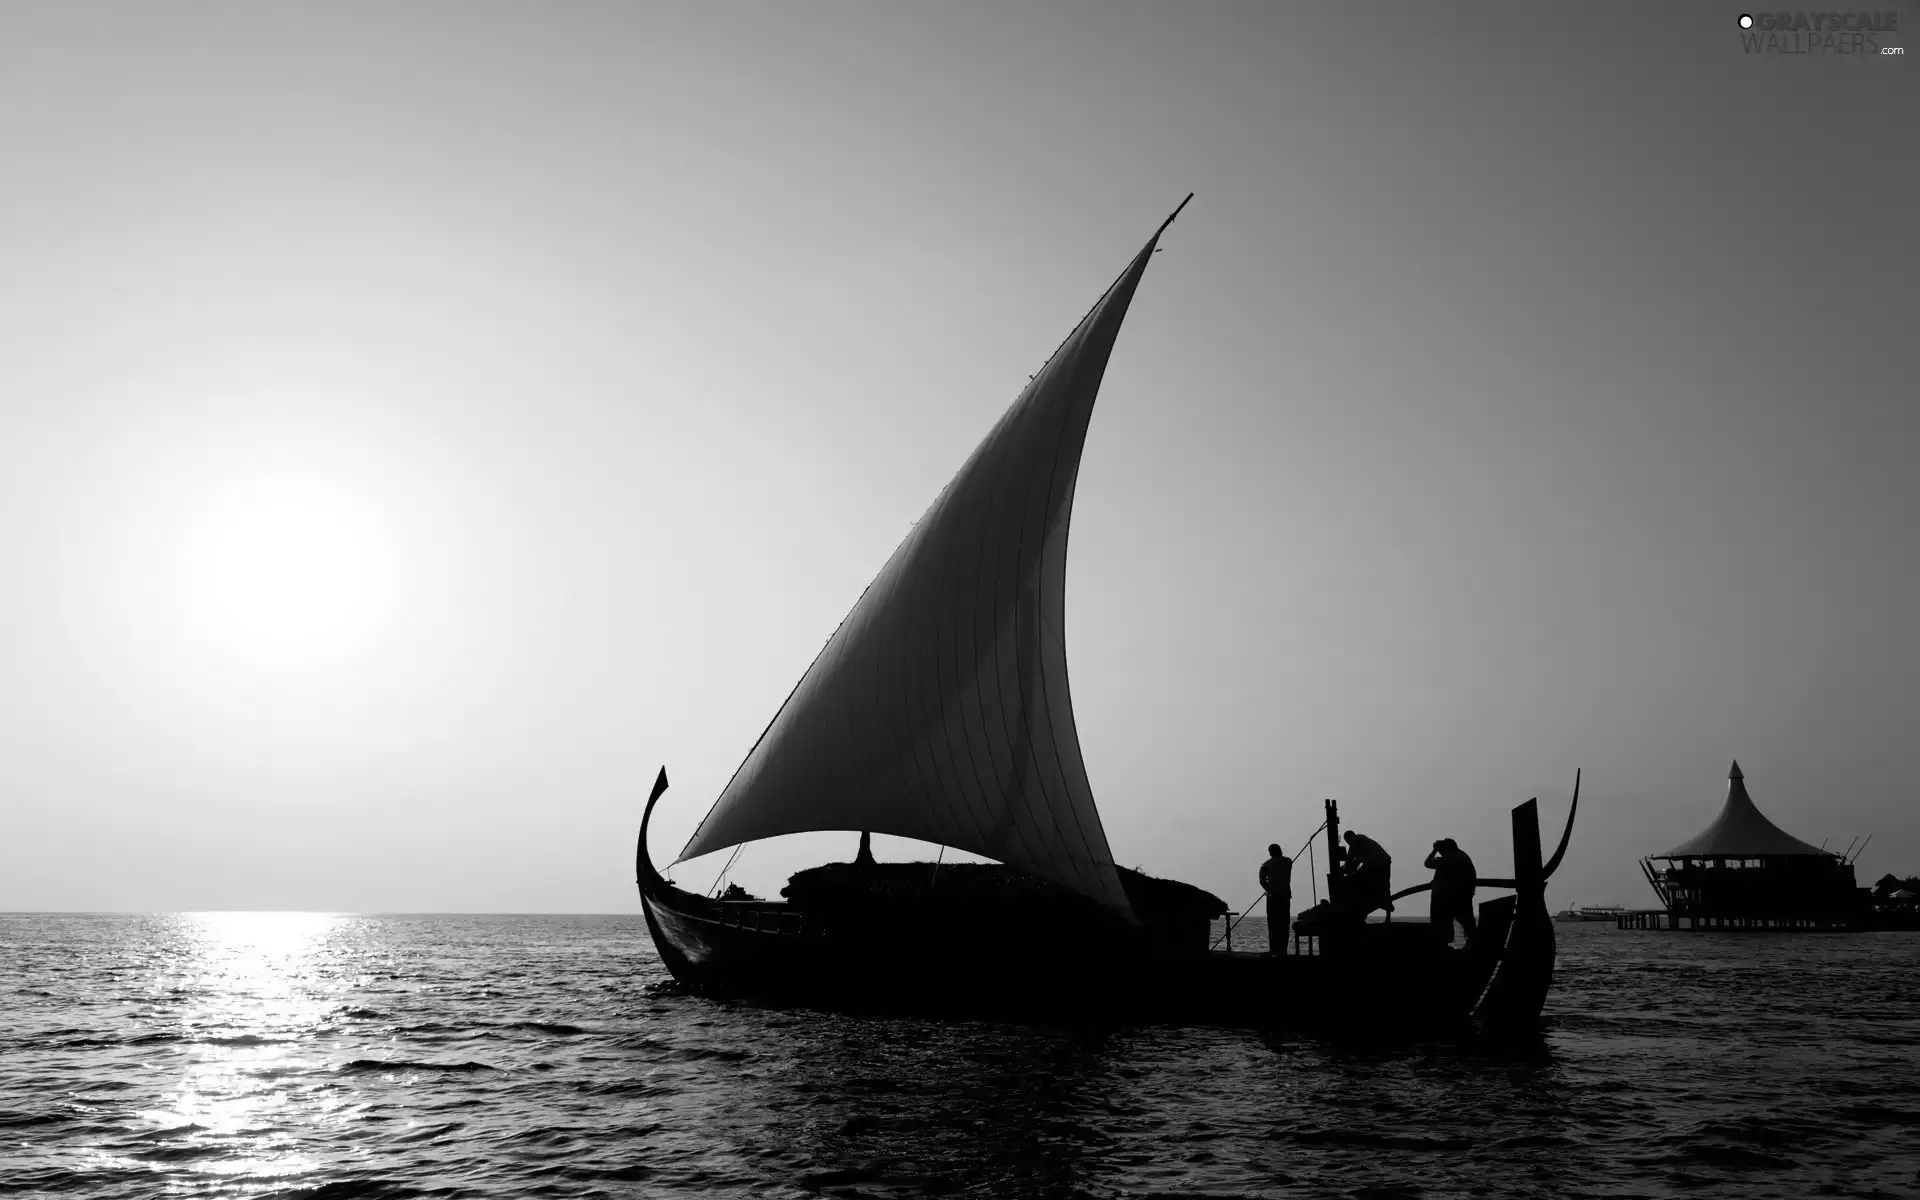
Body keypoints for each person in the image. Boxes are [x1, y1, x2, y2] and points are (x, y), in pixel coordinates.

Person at [1423, 838, 1478, 946]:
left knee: (1441, 928)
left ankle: (1443, 950)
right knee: (1468, 925)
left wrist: (1434, 851)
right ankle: (1473, 946)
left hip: (1445, 899)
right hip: (1464, 896)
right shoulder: (1463, 857)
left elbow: (1427, 863)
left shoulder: (1447, 859)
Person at [1340, 830, 1393, 918]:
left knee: (1360, 881)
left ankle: (1364, 906)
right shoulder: (1363, 843)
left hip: (1377, 863)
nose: (1349, 843)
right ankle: (1387, 908)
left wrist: (1344, 869)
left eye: (1348, 841)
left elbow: (1350, 861)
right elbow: (1352, 862)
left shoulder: (1358, 839)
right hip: (1383, 861)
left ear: (1350, 837)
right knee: (1384, 888)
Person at [1258, 844, 1293, 954]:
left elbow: (1262, 881)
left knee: (1273, 924)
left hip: (1273, 897)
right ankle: (1283, 950)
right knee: (1284, 924)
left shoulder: (1266, 865)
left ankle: (1274, 949)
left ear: (1270, 852)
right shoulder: (1288, 861)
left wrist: (1269, 889)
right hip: (1284, 896)